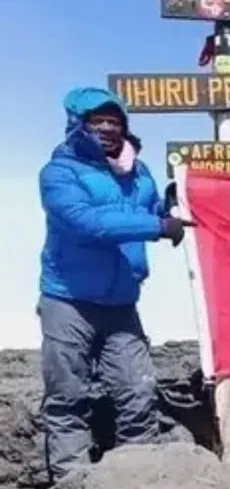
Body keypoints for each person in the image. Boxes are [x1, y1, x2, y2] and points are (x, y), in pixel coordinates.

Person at [37, 86, 193, 482]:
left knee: (138, 395)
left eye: (115, 121)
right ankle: (73, 480)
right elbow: (87, 221)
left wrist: (173, 204)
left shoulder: (138, 173)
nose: (108, 129)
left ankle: (136, 476)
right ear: (78, 125)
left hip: (122, 302)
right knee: (68, 399)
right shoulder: (60, 173)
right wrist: (157, 226)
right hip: (68, 301)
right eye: (97, 121)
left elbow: (154, 208)